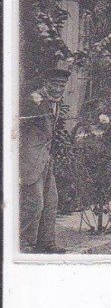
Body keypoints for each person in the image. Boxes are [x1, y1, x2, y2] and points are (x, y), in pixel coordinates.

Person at [19, 64, 71, 253]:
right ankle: (24, 245)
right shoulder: (33, 101)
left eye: (62, 86)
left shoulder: (55, 101)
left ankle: (46, 243)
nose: (58, 89)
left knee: (51, 202)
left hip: (46, 159)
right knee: (34, 203)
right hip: (29, 159)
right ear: (46, 83)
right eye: (55, 85)